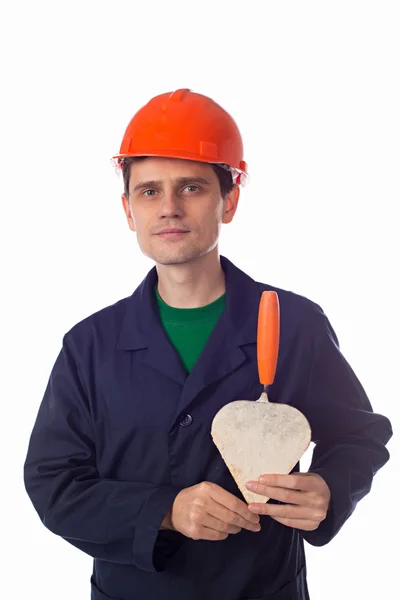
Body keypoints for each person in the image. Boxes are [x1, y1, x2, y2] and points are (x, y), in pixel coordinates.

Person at [24, 88, 392, 600]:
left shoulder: (295, 324)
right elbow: (53, 482)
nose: (169, 207)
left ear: (230, 200)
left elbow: (357, 435)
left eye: (191, 187)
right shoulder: (89, 346)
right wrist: (167, 512)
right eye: (149, 191)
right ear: (129, 211)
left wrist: (330, 488)